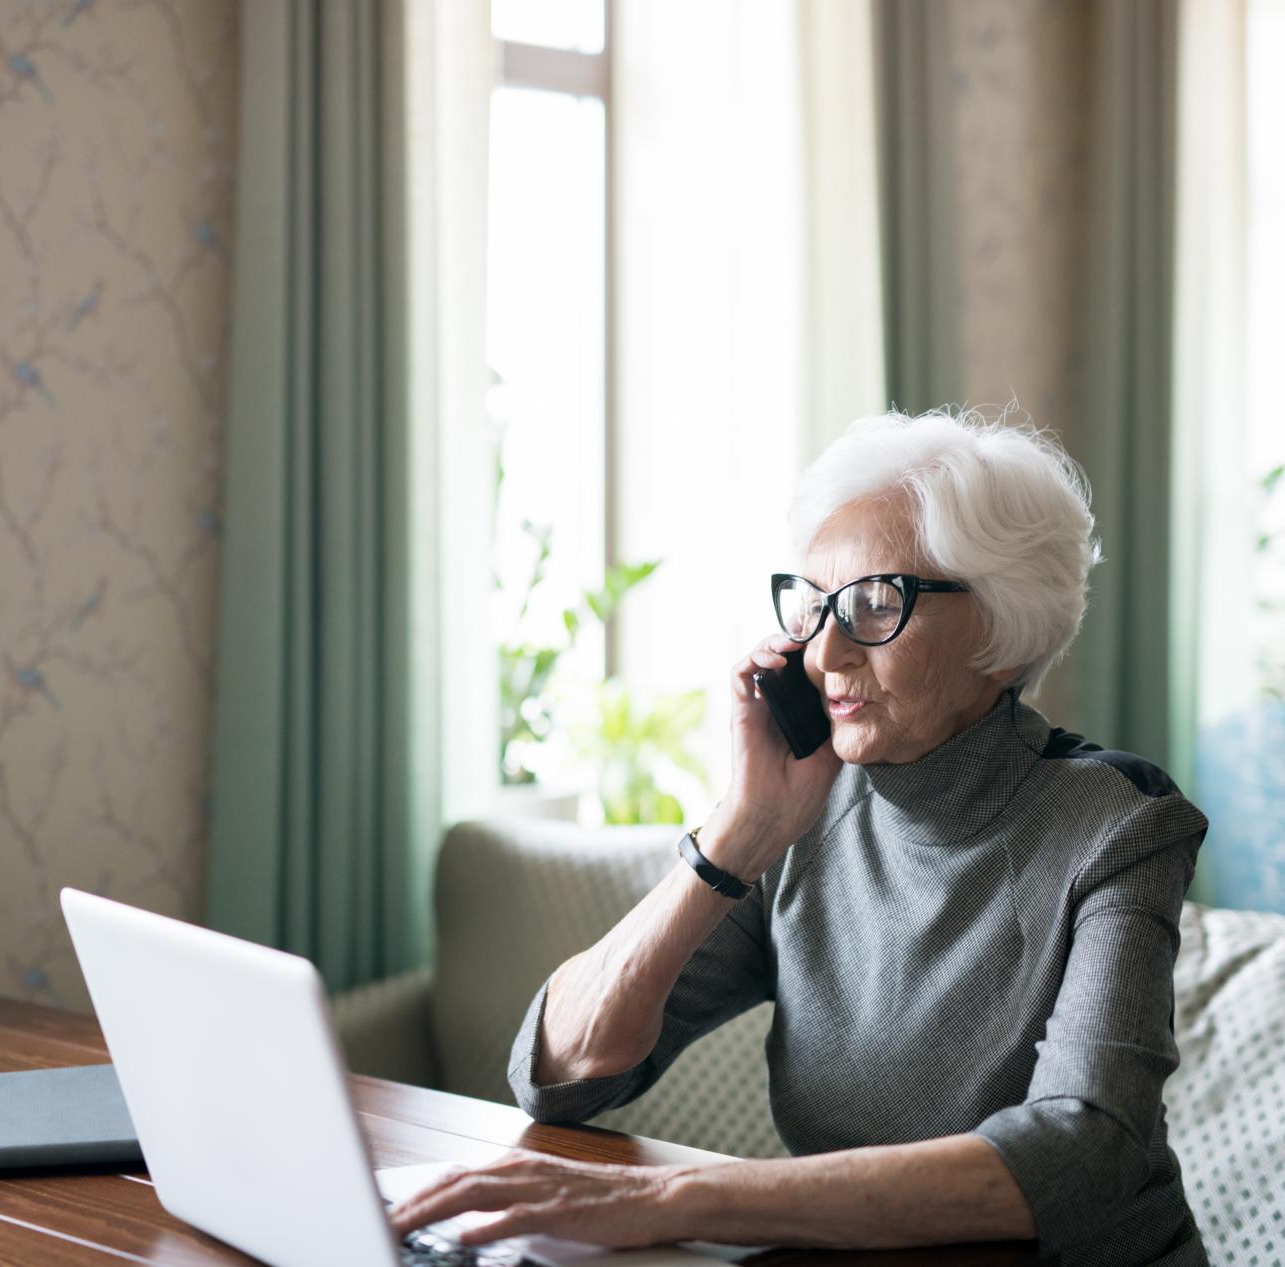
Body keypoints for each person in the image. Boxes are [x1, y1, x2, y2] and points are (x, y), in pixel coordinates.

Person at [389, 410, 1209, 1265]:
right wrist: (736, 834)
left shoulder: (1120, 822)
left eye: (874, 603)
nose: (824, 654)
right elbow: (560, 1073)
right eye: (814, 605)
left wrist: (670, 1198)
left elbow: (1087, 1149)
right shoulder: (801, 810)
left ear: (1002, 632)